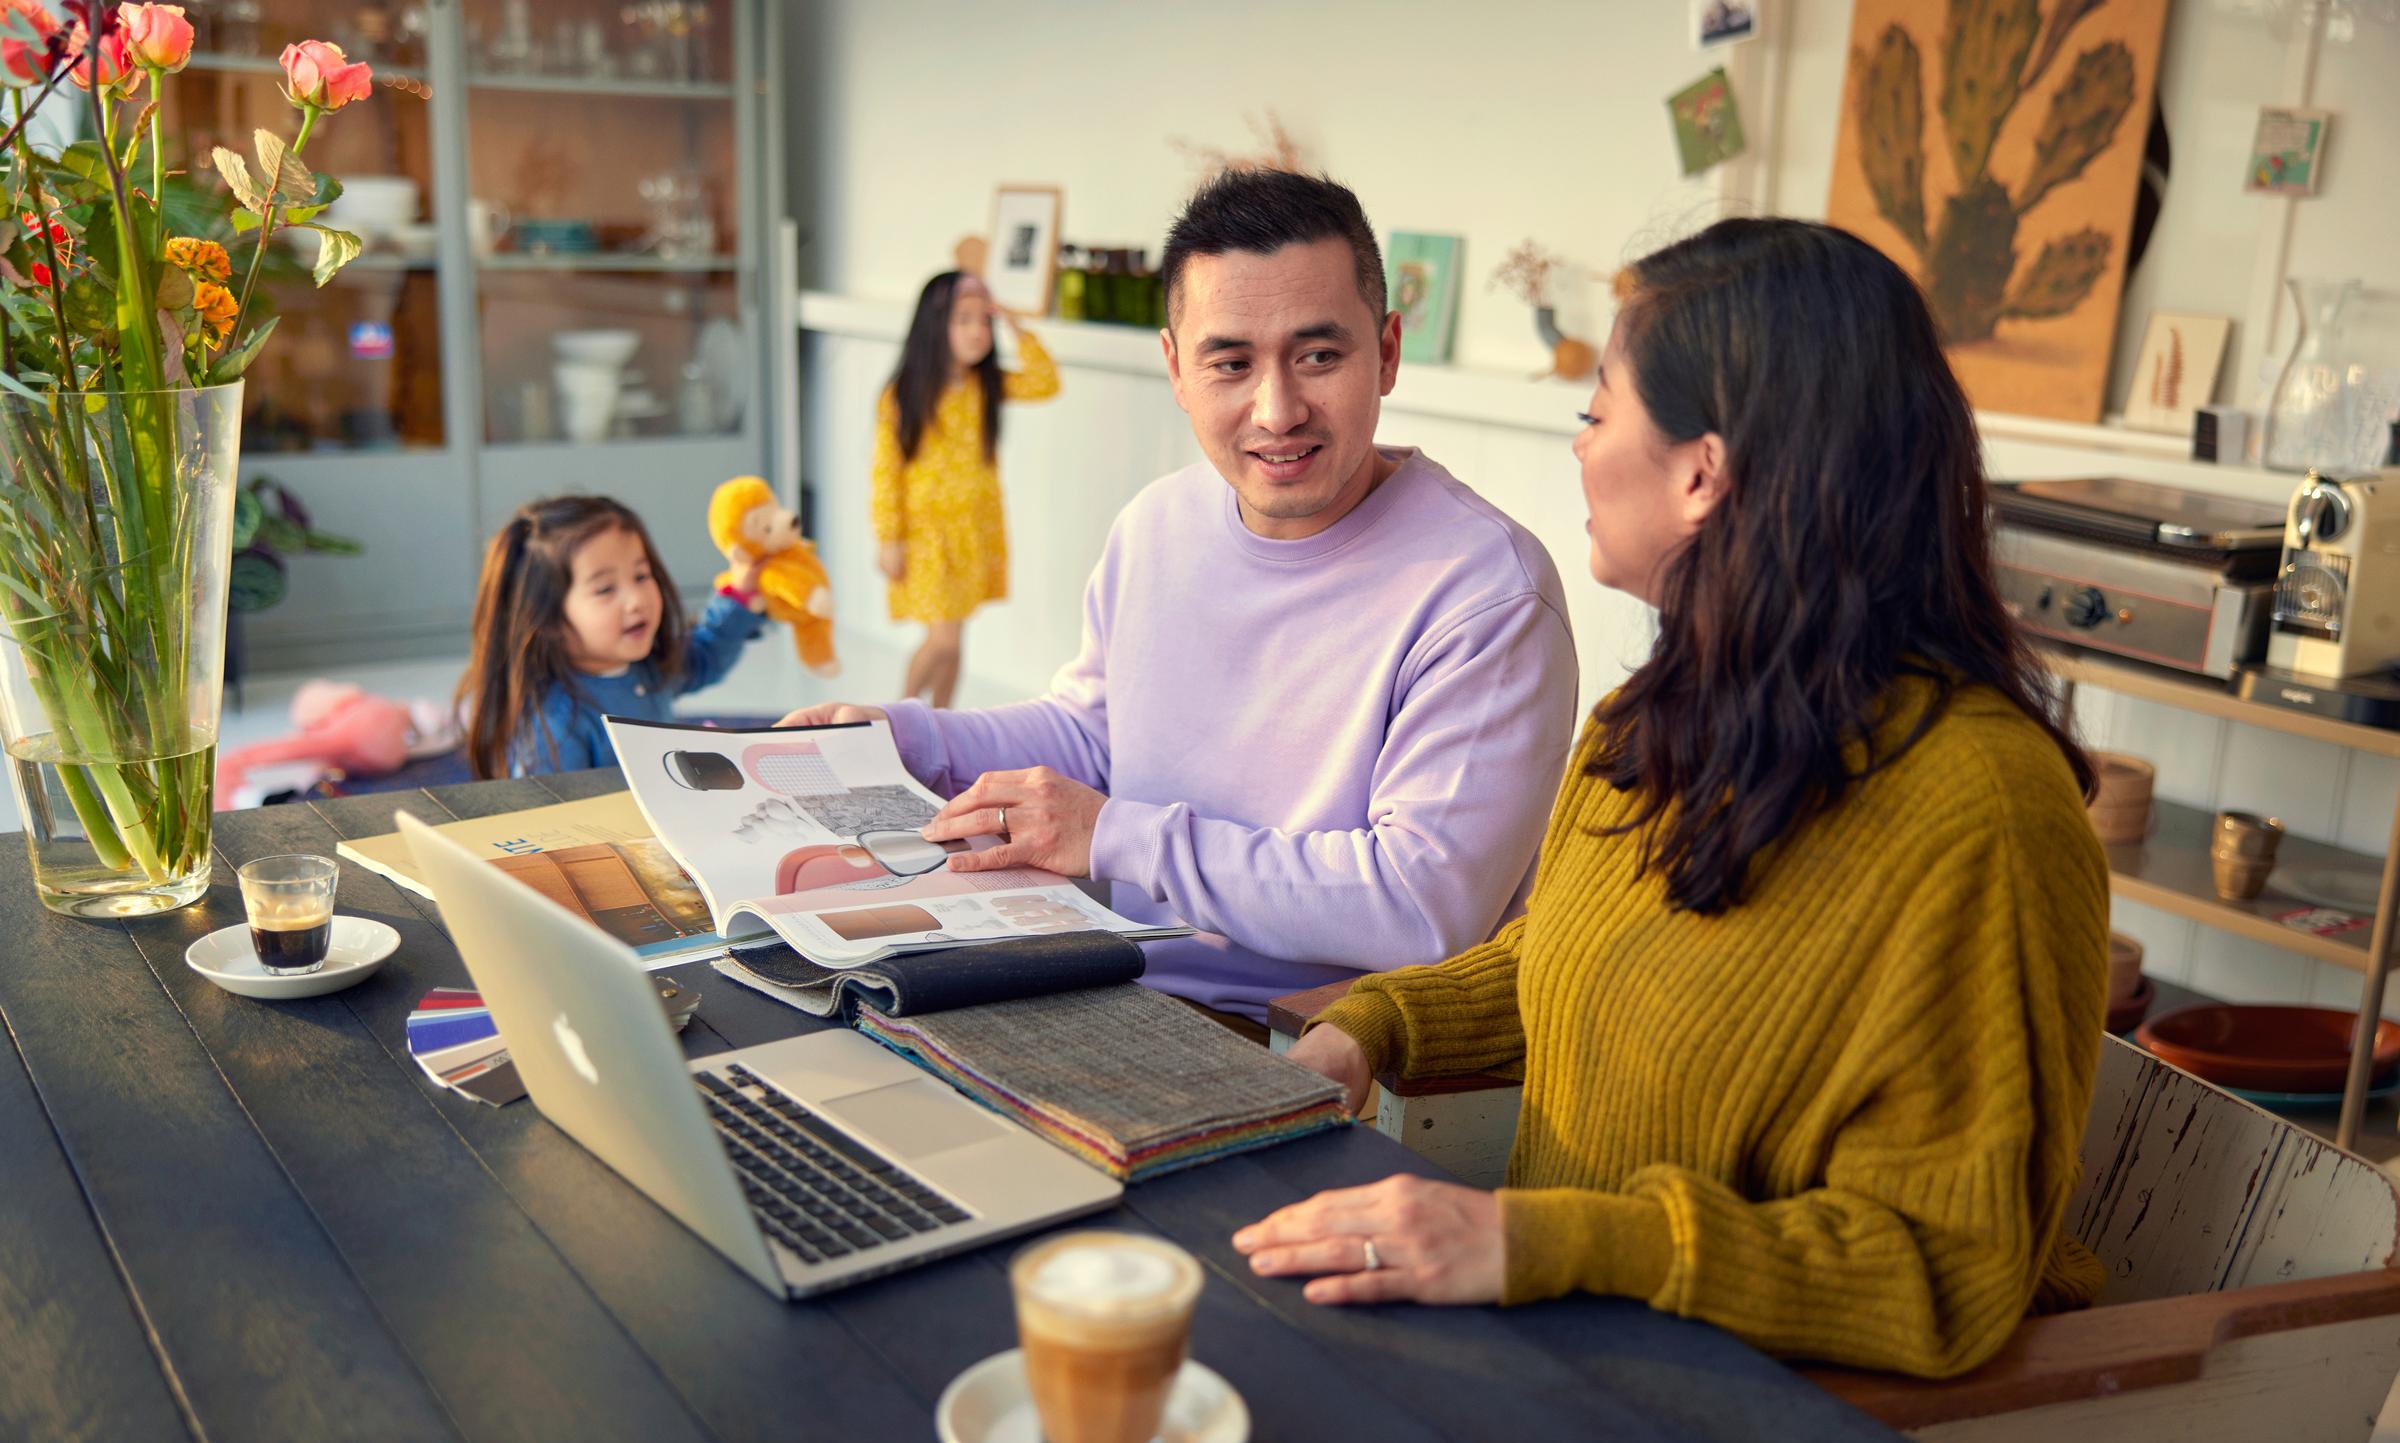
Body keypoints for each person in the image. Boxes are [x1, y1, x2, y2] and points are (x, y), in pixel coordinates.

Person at [1232, 217, 2109, 1380]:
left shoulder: (1985, 815)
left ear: (1703, 471)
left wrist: (1539, 1237)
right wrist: (1376, 1025)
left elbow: (1944, 1265)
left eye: (1598, 408)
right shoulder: (1659, 716)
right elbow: (1578, 957)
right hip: (1572, 1363)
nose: (1582, 446)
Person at [785, 170, 1579, 1035]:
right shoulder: (1156, 525)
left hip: (1305, 1040)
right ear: (1175, 368)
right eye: (1230, 363)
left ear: (1386, 352)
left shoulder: (1487, 593)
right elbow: (1094, 736)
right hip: (1101, 980)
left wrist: (1120, 837)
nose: (1276, 411)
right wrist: (897, 739)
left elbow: (1420, 904)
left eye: (1319, 355)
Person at [458, 495, 767, 778]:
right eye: (605, 589)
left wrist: (738, 595)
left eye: (641, 576)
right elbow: (550, 819)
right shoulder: (555, 724)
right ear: (548, 620)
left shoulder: (649, 666)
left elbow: (706, 656)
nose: (637, 599)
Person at [874, 270, 1060, 708]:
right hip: (927, 536)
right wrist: (889, 536)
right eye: (964, 320)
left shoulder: (985, 387)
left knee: (956, 639)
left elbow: (1045, 381)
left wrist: (1016, 325)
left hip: (973, 531)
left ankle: (941, 720)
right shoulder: (904, 394)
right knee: (942, 638)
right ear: (935, 326)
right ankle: (897, 715)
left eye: (984, 321)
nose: (978, 332)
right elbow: (885, 472)